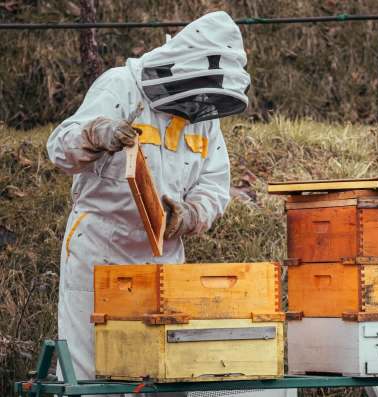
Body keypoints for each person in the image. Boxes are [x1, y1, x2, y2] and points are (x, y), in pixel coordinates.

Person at [47, 11, 250, 392]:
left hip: (163, 256)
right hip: (100, 250)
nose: (196, 108)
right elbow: (59, 150)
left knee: (158, 372)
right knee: (91, 371)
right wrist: (95, 134)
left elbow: (214, 187)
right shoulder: (121, 86)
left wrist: (189, 216)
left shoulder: (204, 114)